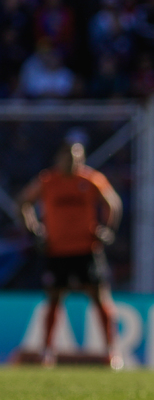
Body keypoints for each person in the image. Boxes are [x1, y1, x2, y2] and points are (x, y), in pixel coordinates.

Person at [17, 140, 123, 368]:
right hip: (57, 250)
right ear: (59, 159)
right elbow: (23, 202)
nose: (73, 162)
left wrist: (107, 230)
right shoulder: (48, 181)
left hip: (87, 249)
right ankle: (47, 351)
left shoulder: (90, 180)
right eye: (68, 157)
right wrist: (34, 230)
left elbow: (113, 204)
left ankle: (111, 351)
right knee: (54, 298)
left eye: (77, 158)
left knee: (99, 297)